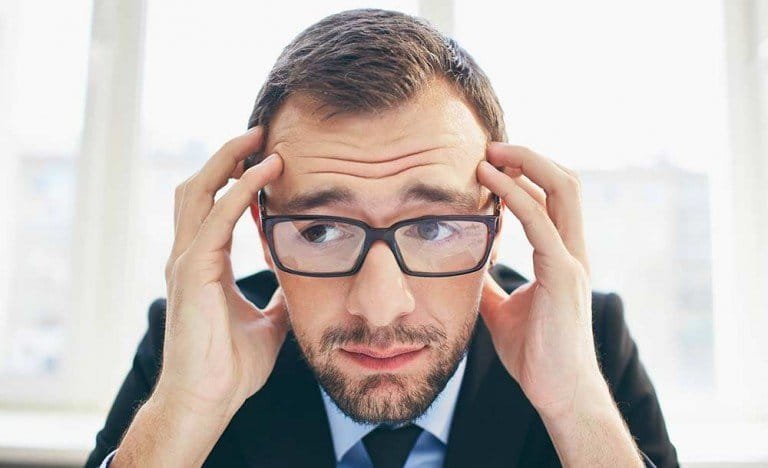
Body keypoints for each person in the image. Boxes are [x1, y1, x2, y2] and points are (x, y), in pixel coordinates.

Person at [86, 8, 678, 468]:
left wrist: (576, 408)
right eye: (320, 230)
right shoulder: (191, 345)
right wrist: (186, 412)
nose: (379, 306)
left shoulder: (587, 342)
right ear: (264, 236)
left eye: (432, 227)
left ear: (497, 227)